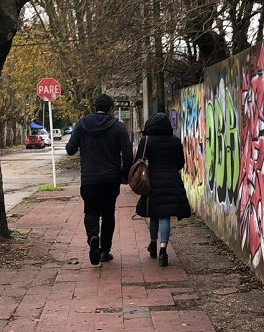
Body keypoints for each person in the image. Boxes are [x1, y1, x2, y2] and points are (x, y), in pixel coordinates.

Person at [65, 94, 133, 265]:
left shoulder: (82, 124)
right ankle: (105, 251)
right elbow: (128, 153)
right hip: (111, 179)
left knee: (90, 211)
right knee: (108, 213)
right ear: (111, 110)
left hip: (89, 178)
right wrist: (124, 175)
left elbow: (70, 150)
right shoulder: (118, 127)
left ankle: (93, 237)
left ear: (95, 107)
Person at [134, 112, 192, 267]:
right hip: (172, 181)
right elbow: (180, 163)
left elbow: (137, 161)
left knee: (154, 214)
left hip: (152, 182)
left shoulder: (146, 141)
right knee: (165, 216)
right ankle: (163, 251)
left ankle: (153, 243)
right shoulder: (175, 141)